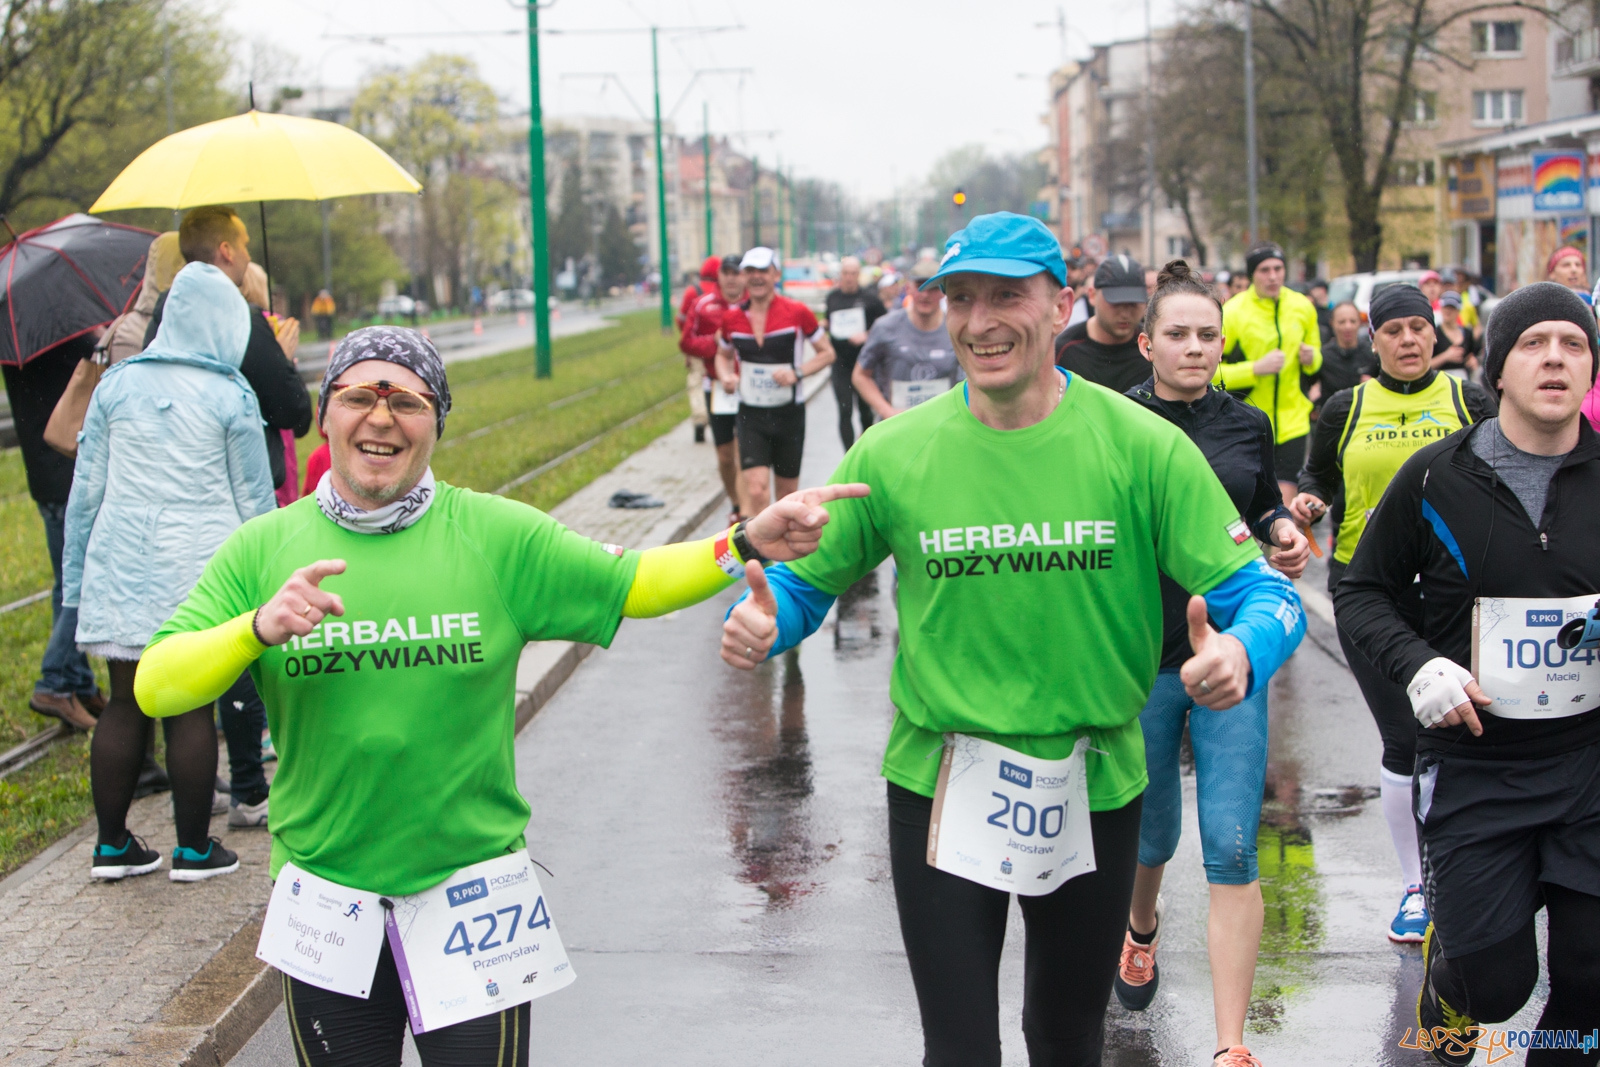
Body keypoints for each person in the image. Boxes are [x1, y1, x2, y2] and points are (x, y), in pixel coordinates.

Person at [133, 324, 864, 1063]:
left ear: (437, 425)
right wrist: (255, 628)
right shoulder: (261, 548)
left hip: (472, 895)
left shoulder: (494, 535)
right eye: (358, 397)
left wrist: (743, 541)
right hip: (326, 899)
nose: (381, 419)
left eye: (408, 403)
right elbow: (157, 684)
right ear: (325, 416)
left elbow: (632, 582)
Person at [718, 213, 1305, 1067]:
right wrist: (771, 622)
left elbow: (1267, 592)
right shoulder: (894, 452)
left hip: (1092, 782)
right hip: (942, 780)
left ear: (1062, 306)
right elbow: (807, 585)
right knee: (959, 1049)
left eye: (1006, 296)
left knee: (1066, 1040)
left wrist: (1244, 649)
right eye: (961, 298)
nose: (980, 320)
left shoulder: (1142, 445)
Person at [1333, 282, 1600, 1065]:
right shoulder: (1436, 476)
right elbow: (1362, 591)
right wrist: (1419, 666)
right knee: (1496, 983)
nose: (1555, 358)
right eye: (1533, 343)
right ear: (1499, 369)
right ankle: (1447, 994)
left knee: (1591, 970)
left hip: (1589, 763)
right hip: (1476, 765)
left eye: (1574, 344)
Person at [1115, 260, 1310, 1067]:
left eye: (1207, 335)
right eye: (1178, 335)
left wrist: (1282, 529)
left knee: (1231, 844)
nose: (1195, 348)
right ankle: (1141, 927)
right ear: (1147, 343)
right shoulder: (1116, 423)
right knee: (1153, 832)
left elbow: (1260, 502)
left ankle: (1231, 1044)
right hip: (1144, 660)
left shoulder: (1245, 424)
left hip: (1229, 654)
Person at [1289, 285, 1496, 943]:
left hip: (1458, 590)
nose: (1408, 339)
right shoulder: (1346, 407)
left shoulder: (1469, 401)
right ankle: (1416, 886)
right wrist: (1311, 503)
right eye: (1393, 330)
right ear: (1372, 339)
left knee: (1464, 733)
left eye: (1418, 327)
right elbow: (1318, 477)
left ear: (1435, 334)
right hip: (1371, 590)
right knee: (1405, 737)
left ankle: (1468, 870)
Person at [67, 262, 277, 882]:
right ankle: (193, 849)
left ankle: (112, 846)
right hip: (199, 567)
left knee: (124, 701)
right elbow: (255, 501)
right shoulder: (233, 395)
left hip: (121, 561)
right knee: (190, 705)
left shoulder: (116, 386)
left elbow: (86, 492)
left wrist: (75, 578)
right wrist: (268, 581)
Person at [144, 205, 312, 493]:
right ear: (227, 251)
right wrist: (282, 359)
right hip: (236, 486)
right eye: (244, 245)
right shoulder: (243, 323)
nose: (248, 256)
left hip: (172, 479)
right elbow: (293, 413)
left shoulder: (162, 320)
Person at [6, 332, 104, 732]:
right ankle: (56, 681)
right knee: (81, 580)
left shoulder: (14, 343)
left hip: (42, 474)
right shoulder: (67, 337)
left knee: (66, 581)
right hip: (69, 471)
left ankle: (79, 682)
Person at [716, 246, 836, 514]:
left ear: (776, 275)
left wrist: (798, 373)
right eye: (750, 271)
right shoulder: (732, 317)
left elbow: (827, 353)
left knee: (787, 495)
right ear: (743, 277)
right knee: (756, 489)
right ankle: (760, 541)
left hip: (788, 414)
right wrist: (726, 376)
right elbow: (722, 355)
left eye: (763, 270)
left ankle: (781, 542)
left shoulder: (797, 312)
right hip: (751, 414)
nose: (756, 277)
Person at [1218, 242, 1322, 501]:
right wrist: (1255, 369)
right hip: (1248, 423)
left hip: (1293, 422)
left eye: (1278, 268)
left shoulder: (1302, 306)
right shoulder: (1233, 312)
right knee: (1249, 503)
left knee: (1283, 505)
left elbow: (1318, 359)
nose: (1273, 276)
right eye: (1265, 270)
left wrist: (1312, 358)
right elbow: (1211, 373)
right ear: (1252, 275)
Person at [682, 254, 749, 521]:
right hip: (718, 387)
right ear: (719, 276)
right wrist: (716, 344)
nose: (731, 279)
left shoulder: (754, 303)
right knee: (725, 454)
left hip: (749, 388)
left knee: (746, 451)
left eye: (736, 273)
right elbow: (686, 342)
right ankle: (735, 502)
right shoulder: (703, 305)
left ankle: (745, 510)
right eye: (726, 273)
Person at [852, 260, 961, 419]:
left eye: (933, 288)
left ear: (944, 291)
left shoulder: (956, 329)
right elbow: (860, 375)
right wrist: (886, 411)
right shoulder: (886, 327)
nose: (925, 295)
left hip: (943, 425)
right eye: (920, 286)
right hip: (897, 425)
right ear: (908, 288)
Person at [1053, 254, 1149, 393]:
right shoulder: (1064, 350)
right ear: (1092, 295)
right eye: (1116, 303)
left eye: (1133, 303)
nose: (1125, 313)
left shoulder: (1153, 349)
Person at [823, 256, 888, 450]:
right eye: (846, 273)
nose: (849, 277)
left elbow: (886, 326)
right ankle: (848, 455)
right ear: (840, 275)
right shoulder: (832, 297)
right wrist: (824, 326)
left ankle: (865, 451)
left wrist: (866, 335)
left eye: (853, 273)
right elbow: (830, 321)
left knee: (865, 411)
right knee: (844, 410)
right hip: (840, 363)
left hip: (864, 364)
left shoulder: (870, 299)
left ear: (858, 275)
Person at [1308, 301, 1376, 419]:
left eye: (1352, 321)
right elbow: (1307, 385)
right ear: (1332, 323)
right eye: (1341, 322)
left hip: (1365, 417)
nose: (1348, 327)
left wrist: (1374, 385)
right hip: (1333, 418)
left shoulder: (1371, 354)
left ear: (1360, 322)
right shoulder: (1324, 356)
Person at [680, 255, 720, 443]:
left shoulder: (693, 291)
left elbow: (681, 319)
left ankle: (700, 417)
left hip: (698, 348)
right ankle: (721, 416)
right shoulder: (723, 292)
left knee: (697, 381)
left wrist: (689, 347)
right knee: (719, 381)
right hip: (721, 348)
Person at [1433, 290, 1479, 377]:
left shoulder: (1467, 333)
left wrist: (1473, 362)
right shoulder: (1434, 333)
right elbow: (1425, 366)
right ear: (1441, 308)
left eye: (1452, 308)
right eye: (1446, 307)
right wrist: (1446, 356)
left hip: (1463, 379)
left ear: (1458, 311)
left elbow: (1472, 355)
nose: (1448, 311)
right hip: (1440, 378)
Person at [1064, 255, 1093, 328]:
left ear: (1082, 274)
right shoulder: (1054, 301)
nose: (1068, 272)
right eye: (1065, 268)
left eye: (1073, 268)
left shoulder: (1089, 304)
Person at [1307, 278, 1332, 344]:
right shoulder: (1313, 309)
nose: (1311, 291)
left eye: (1314, 289)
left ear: (1322, 290)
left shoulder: (1333, 309)